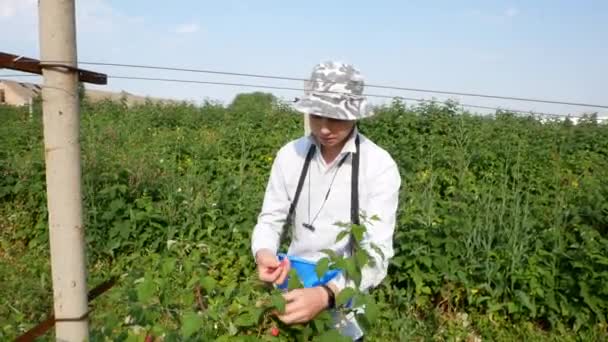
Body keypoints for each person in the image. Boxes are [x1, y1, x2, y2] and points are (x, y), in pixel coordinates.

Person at [251, 61, 401, 340]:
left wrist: (326, 295)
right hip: (291, 292)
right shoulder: (290, 155)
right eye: (318, 115)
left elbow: (376, 254)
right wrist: (264, 253)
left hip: (344, 305)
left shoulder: (378, 166)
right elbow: (271, 218)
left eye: (337, 118)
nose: (324, 129)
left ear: (356, 115)